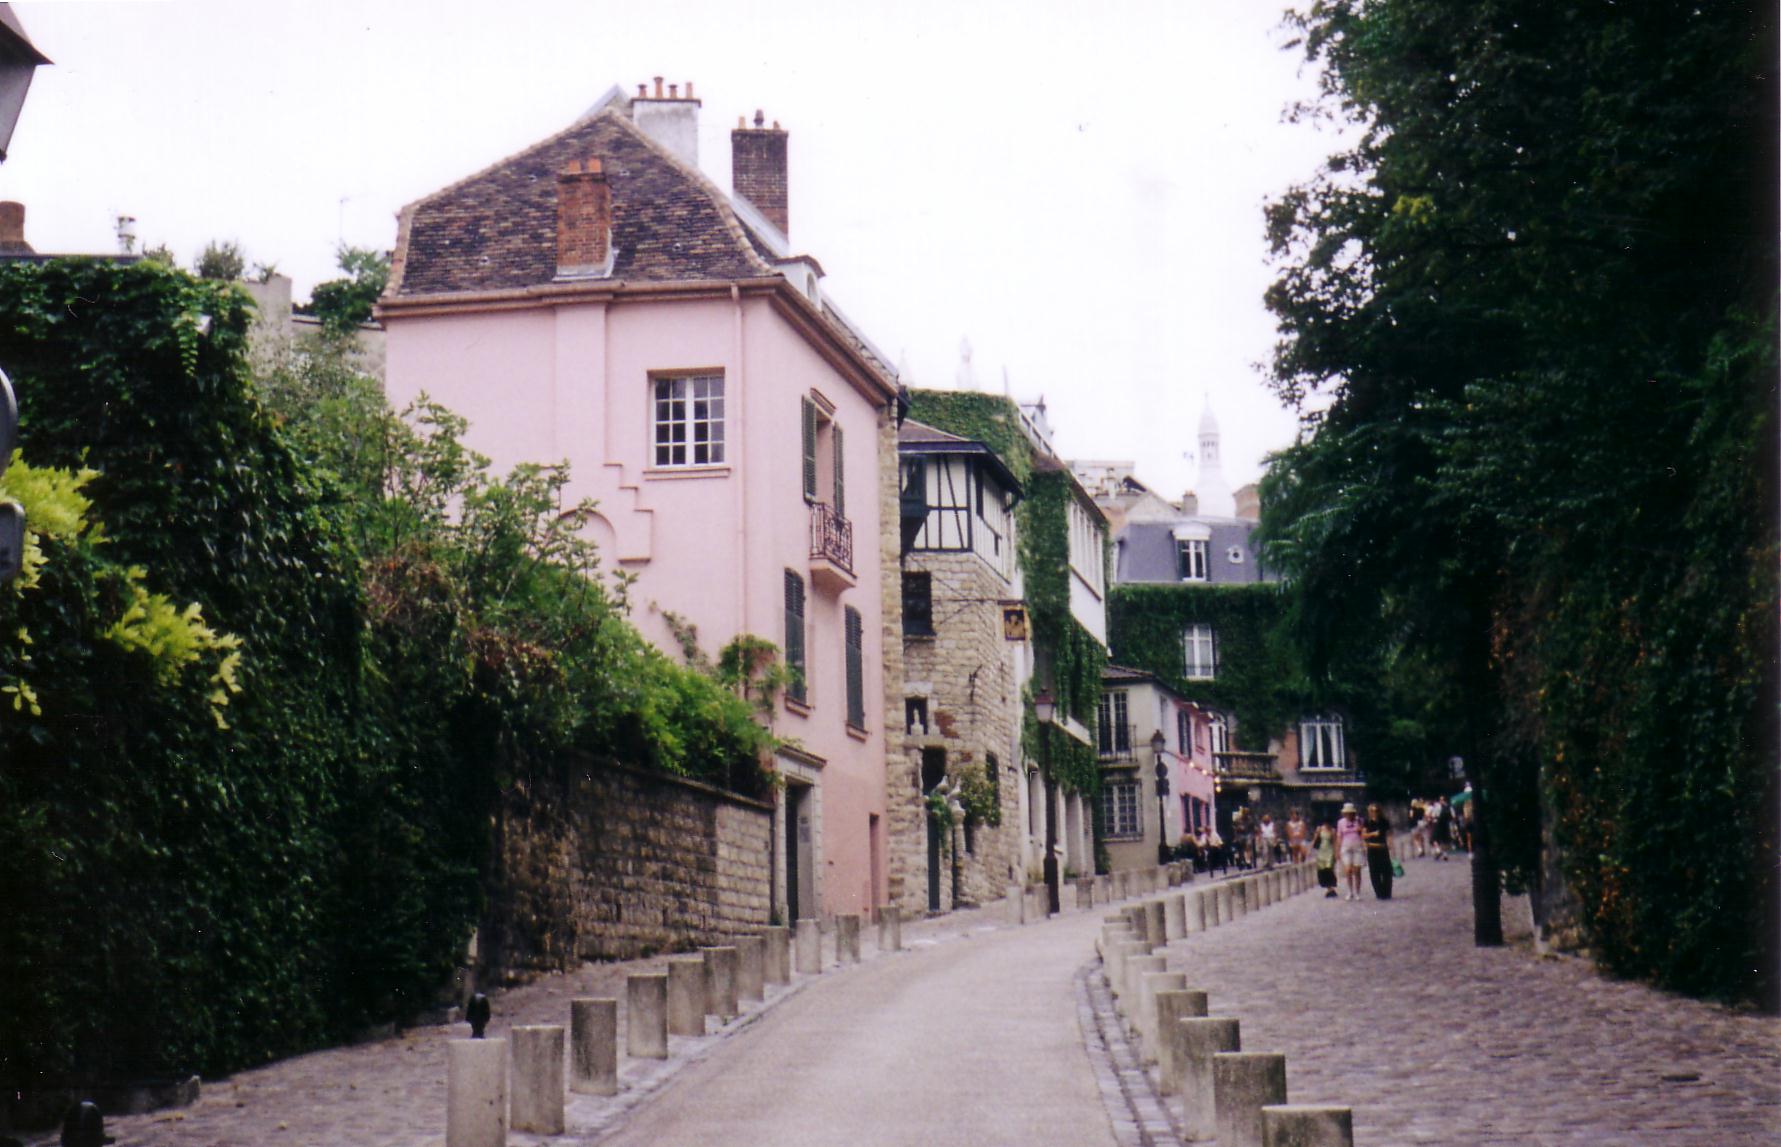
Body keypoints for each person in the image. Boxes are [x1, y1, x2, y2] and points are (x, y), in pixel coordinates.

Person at [1335, 802, 1367, 900]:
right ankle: (1350, 891)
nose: (1348, 815)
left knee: (1357, 870)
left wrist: (1360, 828)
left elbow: (1363, 833)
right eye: (1346, 813)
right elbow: (1339, 836)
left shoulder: (1359, 821)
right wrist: (1337, 850)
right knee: (1348, 869)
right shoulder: (1340, 822)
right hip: (1346, 847)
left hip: (1357, 846)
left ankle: (1357, 892)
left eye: (1350, 813)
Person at [1362, 802, 1393, 900]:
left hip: (1383, 847)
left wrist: (1390, 844)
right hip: (1372, 848)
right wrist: (1373, 834)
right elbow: (1363, 835)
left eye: (1376, 810)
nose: (1374, 812)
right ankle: (1379, 892)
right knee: (1374, 871)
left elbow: (1389, 834)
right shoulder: (1367, 822)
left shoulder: (1384, 821)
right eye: (1371, 811)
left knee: (1386, 871)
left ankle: (1387, 891)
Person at [1312, 820, 1338, 897]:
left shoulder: (1333, 831)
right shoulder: (1320, 829)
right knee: (1322, 870)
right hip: (1321, 851)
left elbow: (1334, 842)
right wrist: (1310, 849)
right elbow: (1315, 839)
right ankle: (1329, 888)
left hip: (1329, 851)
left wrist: (1336, 853)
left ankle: (1331, 886)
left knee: (1329, 869)